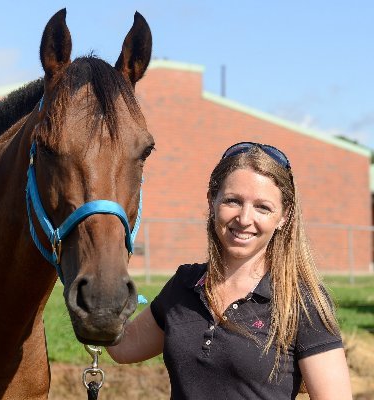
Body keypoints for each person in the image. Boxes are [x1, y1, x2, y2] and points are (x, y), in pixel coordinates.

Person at [106, 142, 352, 399]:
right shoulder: (184, 285)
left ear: (283, 216)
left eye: (262, 207)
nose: (245, 219)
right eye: (233, 201)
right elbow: (124, 347)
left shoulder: (301, 301)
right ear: (212, 202)